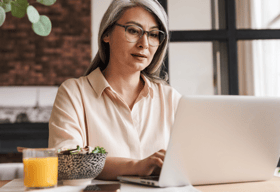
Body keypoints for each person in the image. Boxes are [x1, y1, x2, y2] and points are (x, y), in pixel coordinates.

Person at [48, 0, 181, 180]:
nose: (144, 44)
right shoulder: (74, 92)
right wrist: (137, 166)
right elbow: (66, 163)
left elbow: (194, 160)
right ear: (107, 33)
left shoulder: (170, 98)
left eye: (154, 34)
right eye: (133, 30)